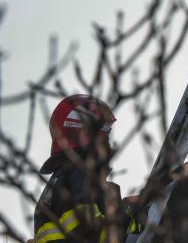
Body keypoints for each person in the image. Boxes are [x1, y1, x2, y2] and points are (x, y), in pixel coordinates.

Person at [34, 94, 142, 242]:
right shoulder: (78, 174)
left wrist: (123, 205)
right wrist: (133, 213)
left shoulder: (63, 179)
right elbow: (93, 233)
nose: (109, 145)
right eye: (105, 137)